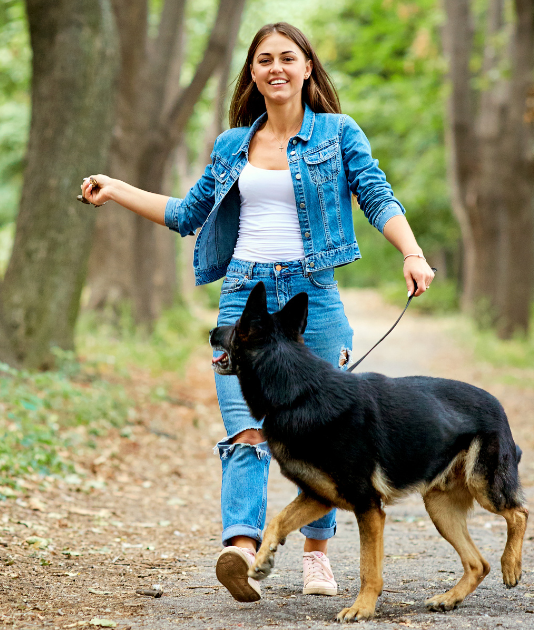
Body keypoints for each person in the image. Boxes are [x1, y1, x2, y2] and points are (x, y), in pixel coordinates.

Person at [79, 22, 434, 604]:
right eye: (263, 59)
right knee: (247, 431)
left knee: (326, 435)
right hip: (243, 299)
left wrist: (412, 252)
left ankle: (316, 557)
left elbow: (375, 194)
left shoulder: (339, 134)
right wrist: (116, 188)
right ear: (252, 72)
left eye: (287, 58)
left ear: (307, 69)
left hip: (312, 299)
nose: (275, 67)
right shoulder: (231, 145)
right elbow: (187, 215)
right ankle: (243, 551)